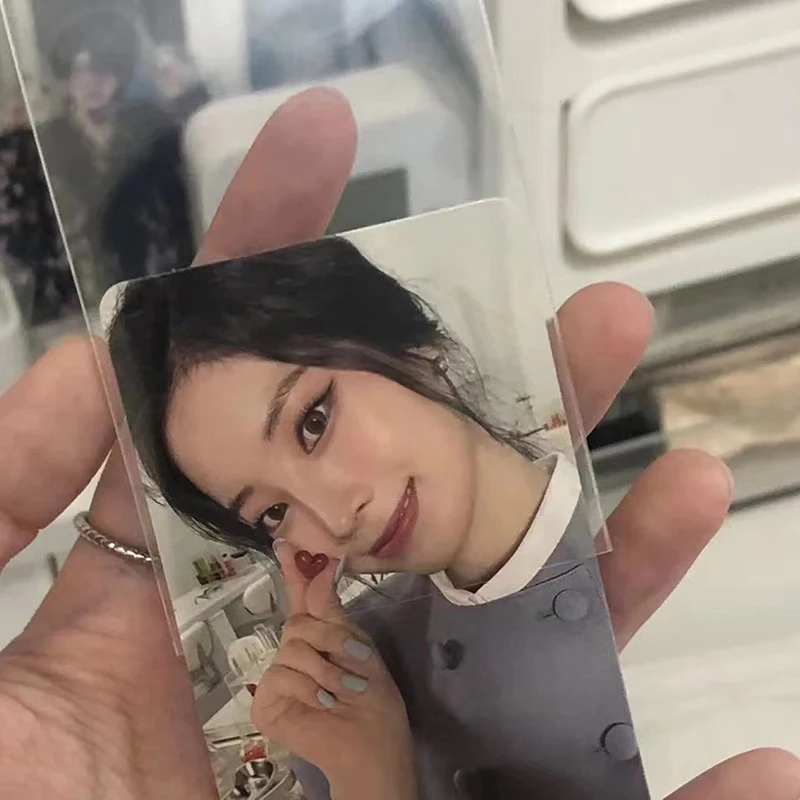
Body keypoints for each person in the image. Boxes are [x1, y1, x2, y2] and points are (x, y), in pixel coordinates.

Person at [0, 88, 796, 800]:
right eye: (272, 512)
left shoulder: (554, 584)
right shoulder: (365, 643)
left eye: (314, 422)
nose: (332, 516)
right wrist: (360, 759)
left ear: (418, 348)